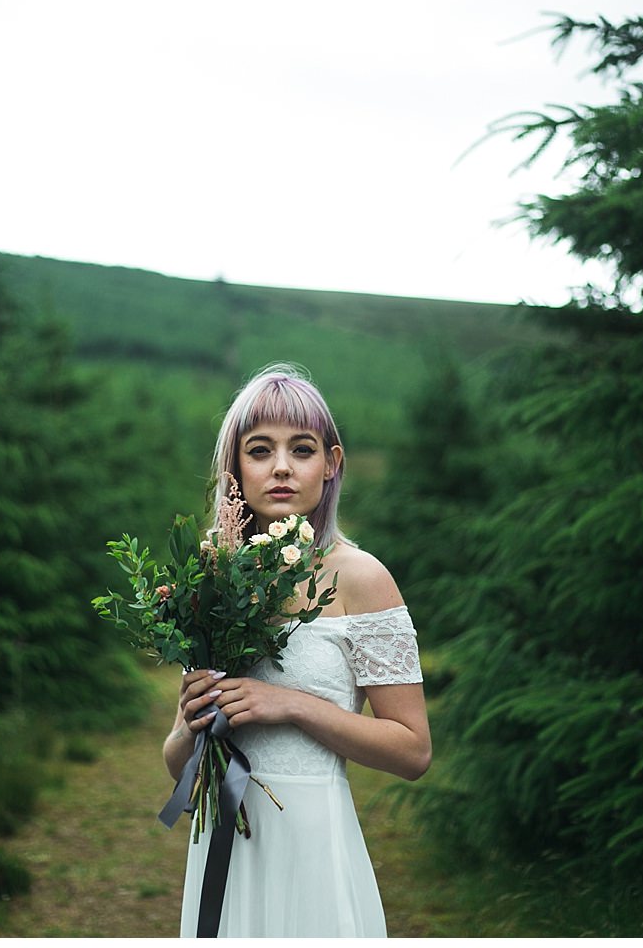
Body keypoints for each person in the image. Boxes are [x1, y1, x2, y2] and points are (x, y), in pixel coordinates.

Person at [161, 362, 431, 938]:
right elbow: (177, 763)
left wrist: (291, 704)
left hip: (312, 837)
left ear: (330, 464)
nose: (281, 467)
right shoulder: (213, 579)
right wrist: (191, 722)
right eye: (260, 450)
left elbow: (412, 751)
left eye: (301, 449)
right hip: (223, 846)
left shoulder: (362, 578)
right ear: (235, 466)